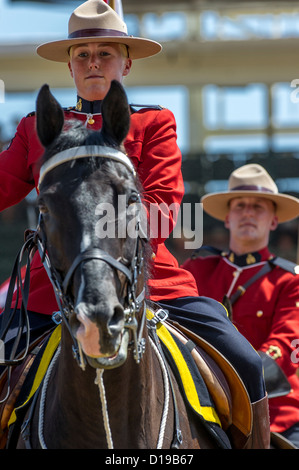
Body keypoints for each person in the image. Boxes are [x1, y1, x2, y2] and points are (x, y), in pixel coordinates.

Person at [0, 0, 268, 447]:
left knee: (245, 362)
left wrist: (95, 242)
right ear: (69, 66)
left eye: (105, 52)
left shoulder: (154, 122)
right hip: (50, 293)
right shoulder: (35, 129)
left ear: (126, 62)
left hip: (153, 283)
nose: (93, 63)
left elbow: (163, 208)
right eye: (82, 54)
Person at [182, 163, 299, 447]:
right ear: (226, 217)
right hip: (201, 415)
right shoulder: (194, 271)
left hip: (276, 419)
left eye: (258, 207)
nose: (248, 212)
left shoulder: (289, 281)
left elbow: (281, 350)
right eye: (240, 205)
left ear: (273, 220)